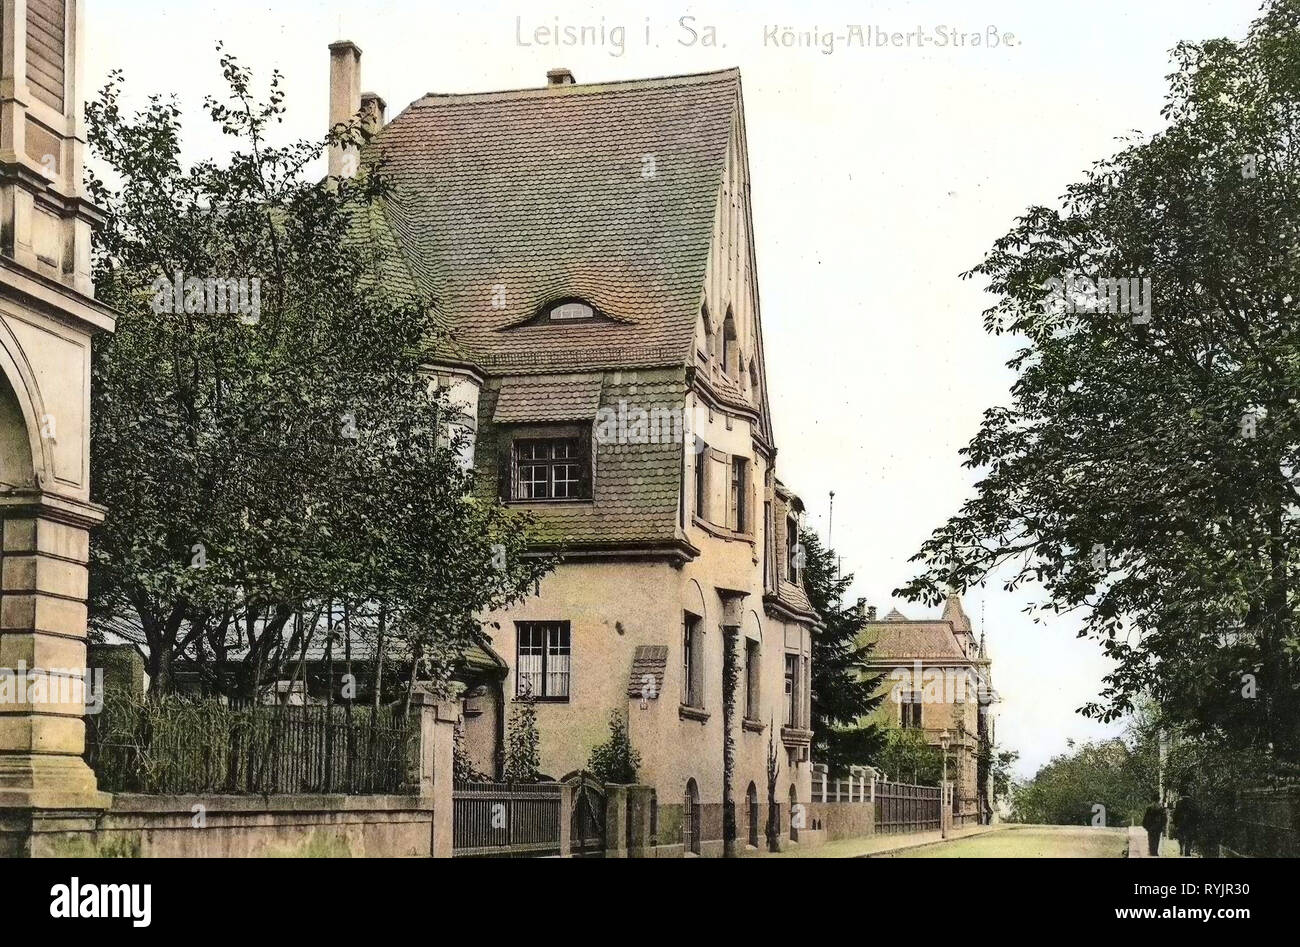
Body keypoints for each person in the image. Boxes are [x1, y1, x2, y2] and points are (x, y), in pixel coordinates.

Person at [1173, 793, 1200, 857]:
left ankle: (1181, 848)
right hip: (1190, 824)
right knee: (1189, 837)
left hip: (1181, 823)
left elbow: (1175, 814)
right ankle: (1187, 851)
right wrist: (1196, 824)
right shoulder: (1193, 803)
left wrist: (1175, 823)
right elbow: (1197, 814)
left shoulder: (1178, 803)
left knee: (1181, 837)